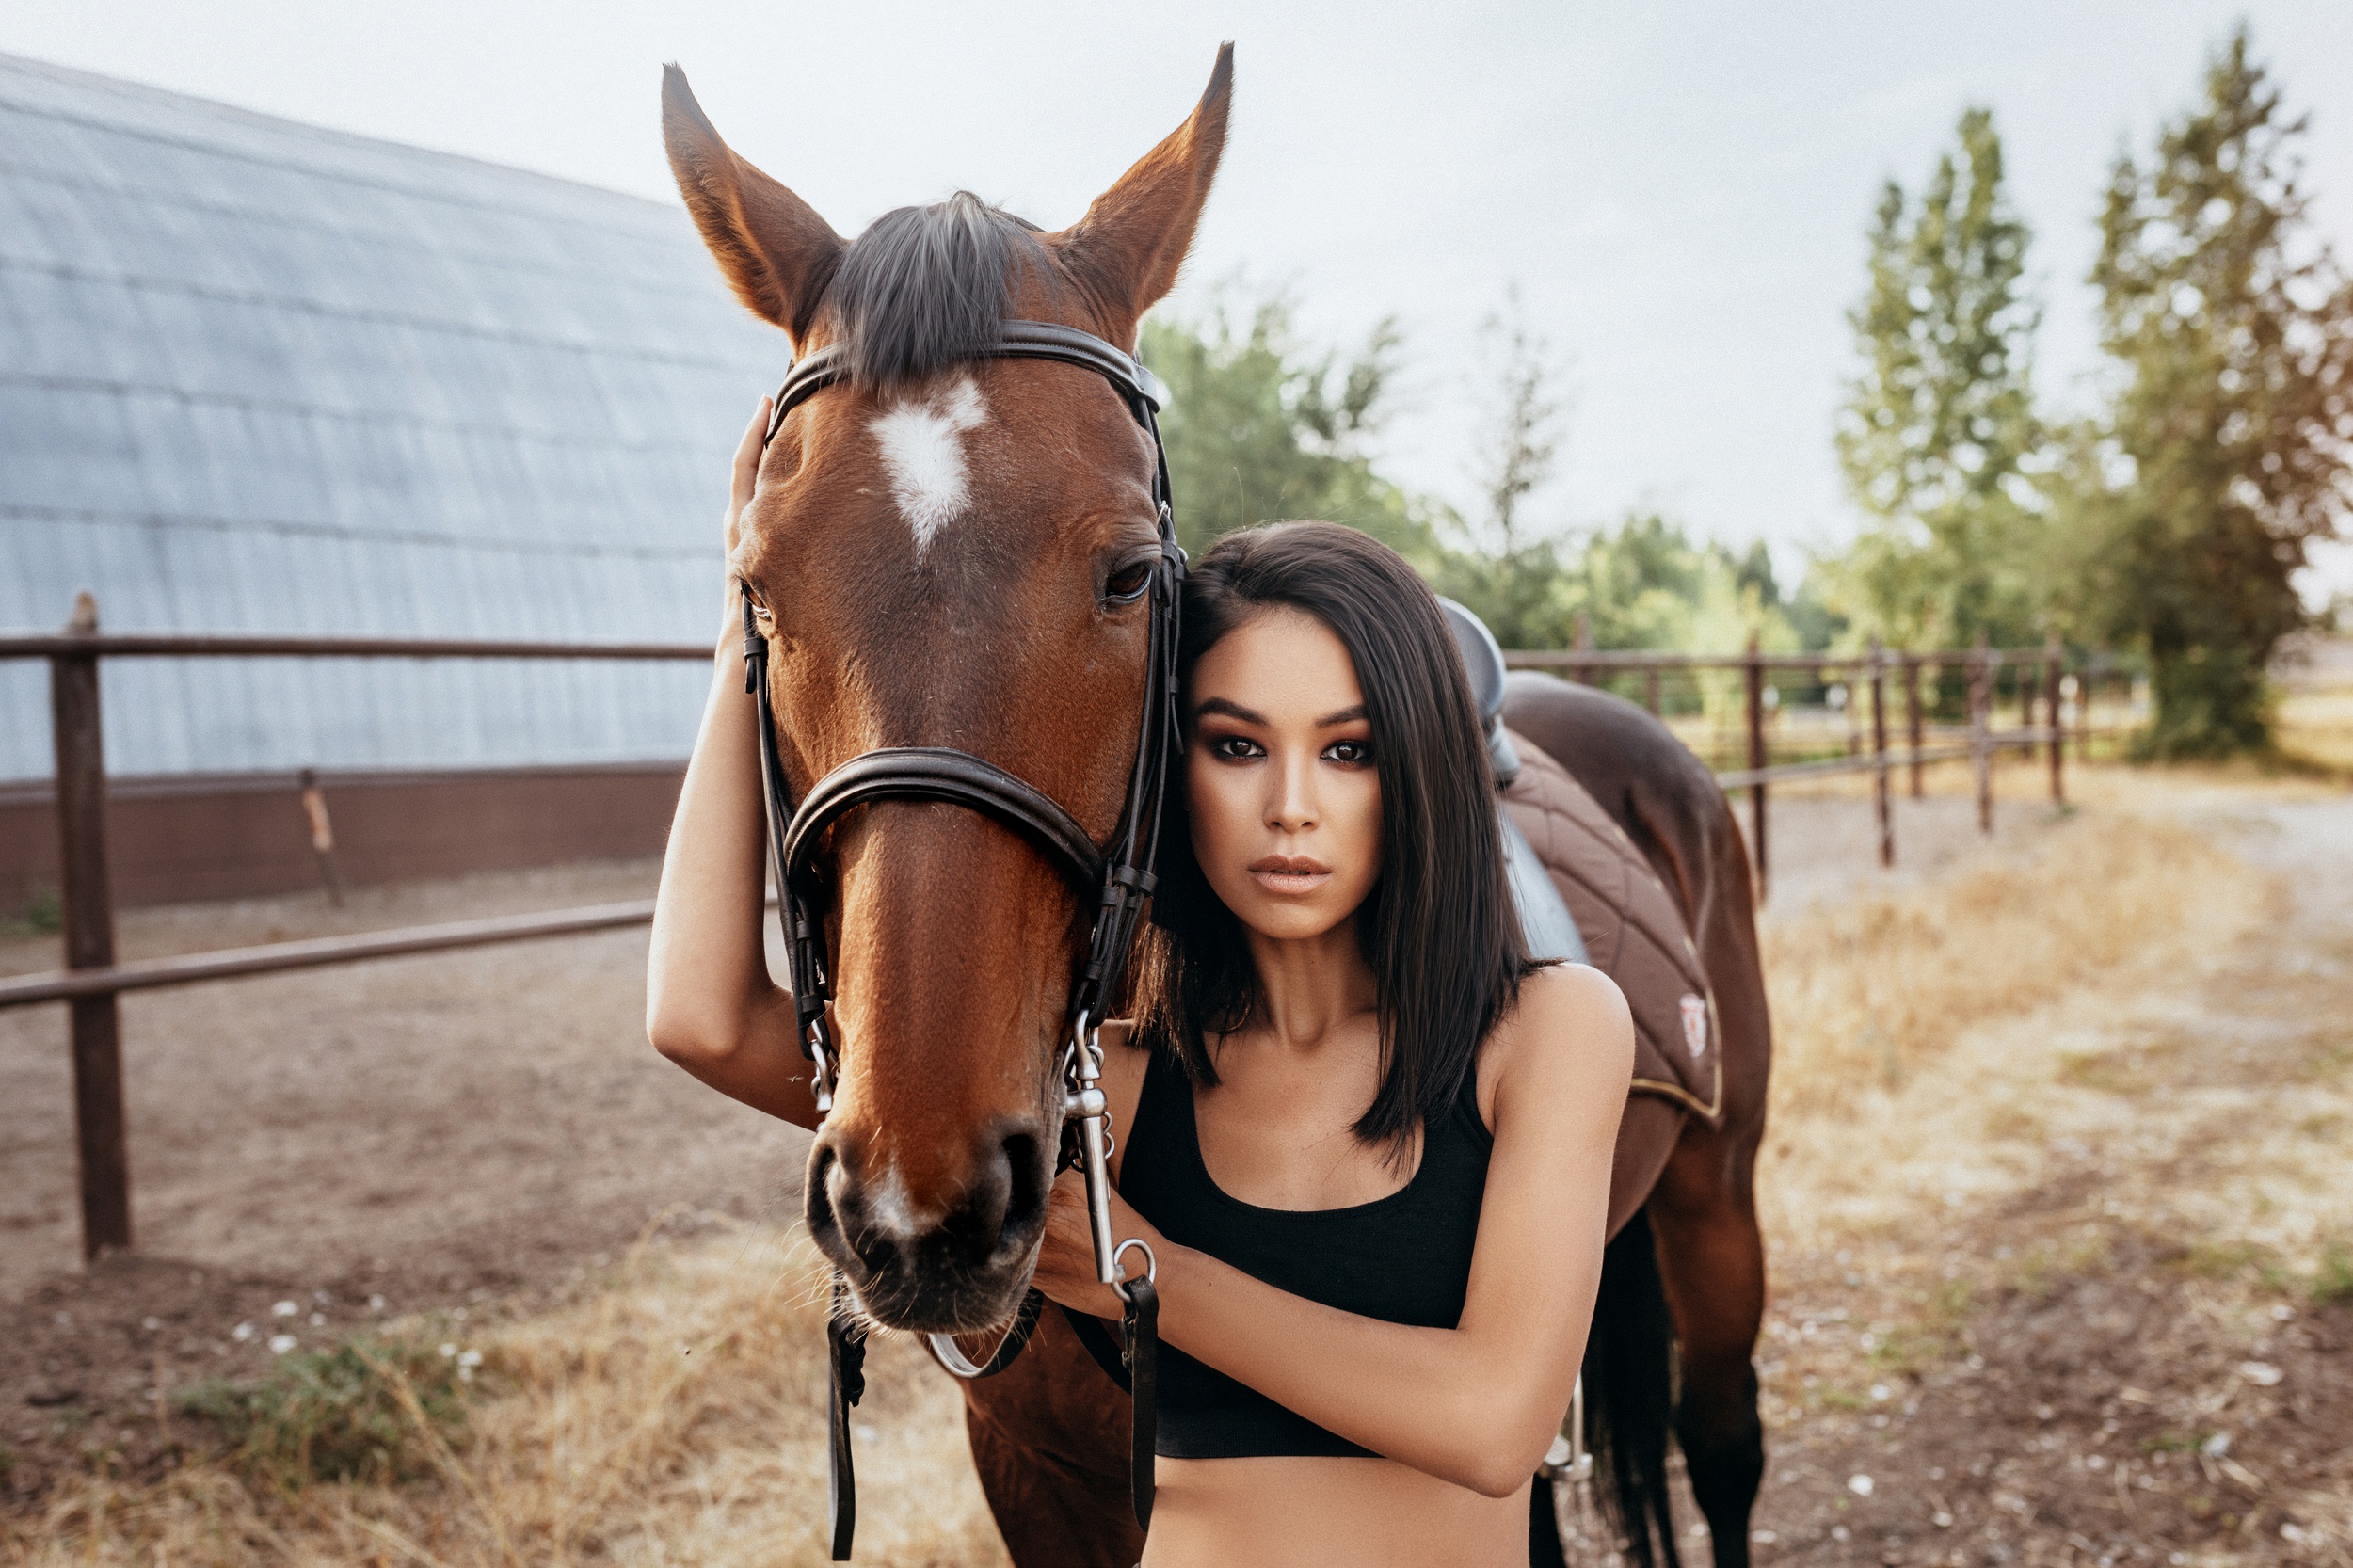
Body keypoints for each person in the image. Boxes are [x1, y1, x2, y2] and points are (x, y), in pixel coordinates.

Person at [650, 410, 1632, 1567]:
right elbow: (704, 1020)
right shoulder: (1122, 1080)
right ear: (1174, 768)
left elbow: (1492, 1423)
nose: (1292, 808)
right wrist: (745, 633)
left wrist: (1140, 1273)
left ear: (1414, 767)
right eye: (1235, 745)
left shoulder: (1547, 1030)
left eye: (1349, 749)